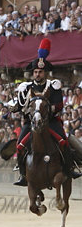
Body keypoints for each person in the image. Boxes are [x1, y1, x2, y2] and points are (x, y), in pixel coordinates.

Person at [12, 38, 81, 186]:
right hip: (31, 123)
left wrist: (48, 109)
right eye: (35, 72)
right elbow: (20, 106)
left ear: (45, 73)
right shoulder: (26, 87)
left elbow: (59, 105)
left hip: (50, 122)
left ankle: (69, 168)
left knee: (63, 141)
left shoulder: (53, 86)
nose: (38, 74)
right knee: (19, 146)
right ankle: (23, 174)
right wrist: (16, 107)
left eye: (40, 72)